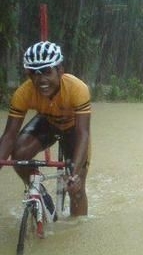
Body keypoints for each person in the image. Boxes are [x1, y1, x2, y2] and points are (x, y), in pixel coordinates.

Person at [0, 41, 91, 216]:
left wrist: (75, 174)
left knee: (76, 189)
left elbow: (83, 134)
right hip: (48, 123)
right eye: (34, 73)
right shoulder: (22, 93)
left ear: (60, 70)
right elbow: (9, 136)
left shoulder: (78, 89)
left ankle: (76, 232)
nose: (41, 80)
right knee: (18, 154)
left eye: (47, 71)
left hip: (74, 129)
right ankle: (37, 190)